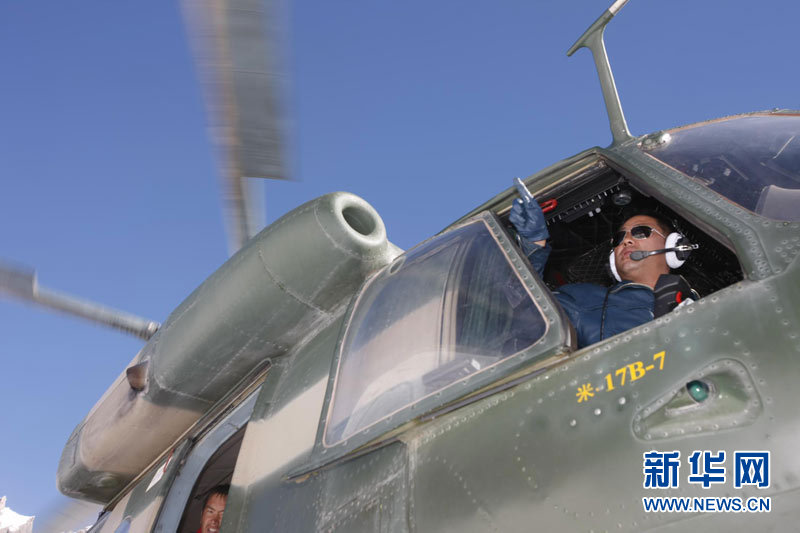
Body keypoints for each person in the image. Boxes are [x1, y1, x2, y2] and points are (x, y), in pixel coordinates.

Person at [510, 198, 696, 348]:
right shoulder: (583, 299)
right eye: (619, 238)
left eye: (640, 232)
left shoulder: (699, 305)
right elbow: (523, 309)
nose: (626, 241)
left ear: (674, 246)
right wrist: (534, 246)